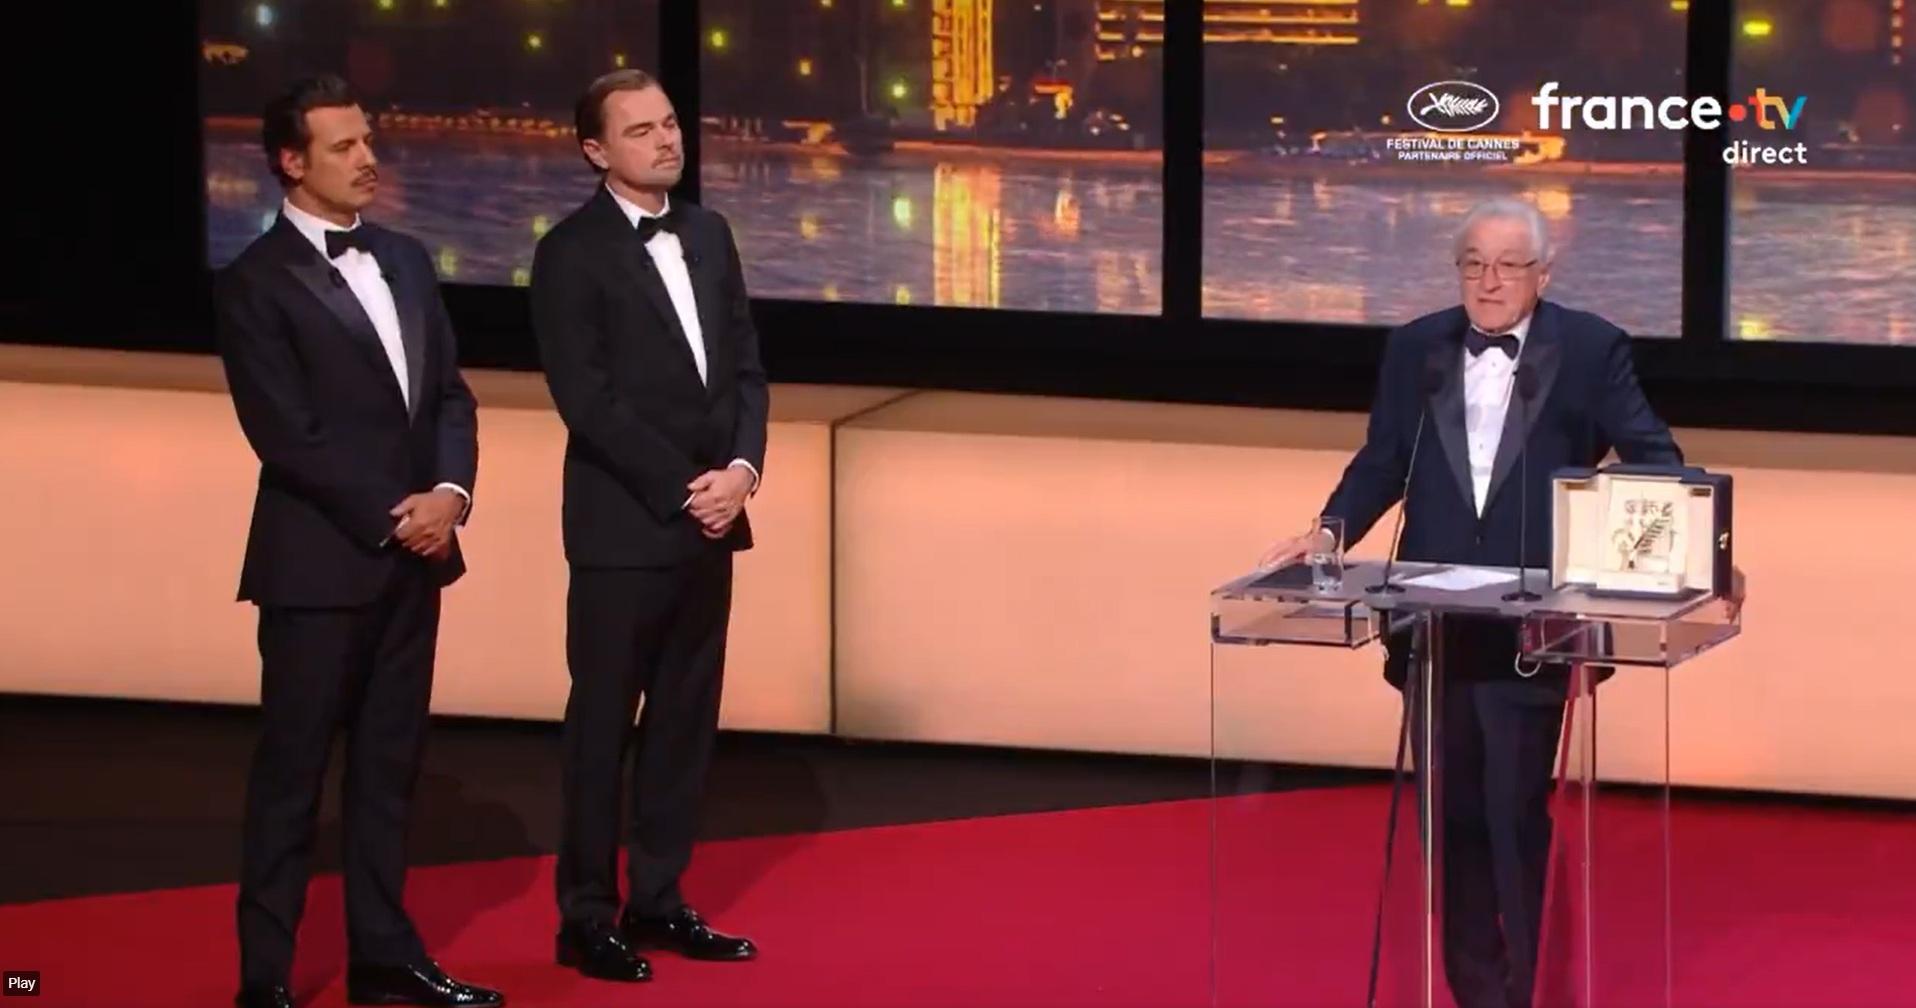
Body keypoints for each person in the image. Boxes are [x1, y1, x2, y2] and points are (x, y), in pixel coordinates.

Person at [1259, 197, 1681, 1008]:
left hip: (1532, 632)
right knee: (1449, 820)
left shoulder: (1591, 348)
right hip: (1433, 631)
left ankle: (1532, 988)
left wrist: (1659, 551)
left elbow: (1655, 460)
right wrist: (1329, 533)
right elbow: (1382, 460)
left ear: (1543, 274)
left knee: (1513, 814)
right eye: (1474, 264)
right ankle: (1474, 990)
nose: (1489, 281)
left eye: (1509, 265)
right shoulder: (1416, 347)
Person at [214, 75, 502, 1008]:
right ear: (290, 162)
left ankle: (385, 953)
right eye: (344, 146)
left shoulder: (408, 259)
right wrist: (397, 515)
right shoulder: (254, 283)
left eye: (368, 140)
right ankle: (265, 980)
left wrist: (450, 495)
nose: (368, 158)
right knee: (291, 780)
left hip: (417, 564)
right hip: (317, 571)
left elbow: (449, 397)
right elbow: (286, 436)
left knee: (388, 774)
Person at [530, 68, 768, 984]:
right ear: (596, 150)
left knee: (683, 722)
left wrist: (741, 473)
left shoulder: (710, 233)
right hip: (623, 529)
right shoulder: (569, 253)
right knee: (602, 729)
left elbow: (746, 370)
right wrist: (683, 488)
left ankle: (660, 900)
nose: (667, 140)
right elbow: (587, 400)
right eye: (641, 130)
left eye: (669, 123)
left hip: (712, 521)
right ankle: (586, 917)